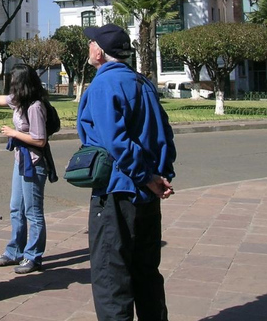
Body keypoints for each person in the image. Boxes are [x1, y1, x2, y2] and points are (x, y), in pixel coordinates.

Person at [77, 23, 176, 321]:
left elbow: (115, 142)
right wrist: (158, 176)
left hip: (117, 194)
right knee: (146, 274)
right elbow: (165, 135)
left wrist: (145, 176)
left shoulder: (104, 85)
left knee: (111, 278)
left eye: (90, 42)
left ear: (99, 51)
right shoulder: (142, 82)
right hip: (147, 193)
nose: (88, 47)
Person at [0, 63, 49, 274]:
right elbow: (3, 99)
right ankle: (15, 251)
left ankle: (33, 256)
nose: (11, 85)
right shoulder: (19, 101)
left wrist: (13, 133)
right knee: (16, 208)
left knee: (33, 212)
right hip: (21, 161)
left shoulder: (34, 107)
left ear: (22, 83)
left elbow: (40, 140)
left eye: (14, 81)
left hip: (33, 163)